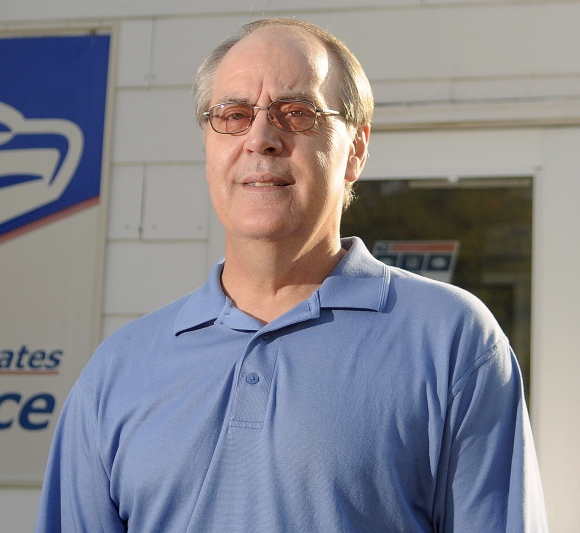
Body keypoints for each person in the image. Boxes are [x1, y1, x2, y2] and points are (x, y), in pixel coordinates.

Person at [35, 17, 547, 532]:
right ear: (209, 149)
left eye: (296, 113)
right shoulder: (119, 371)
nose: (261, 138)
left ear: (357, 150)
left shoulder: (451, 342)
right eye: (233, 115)